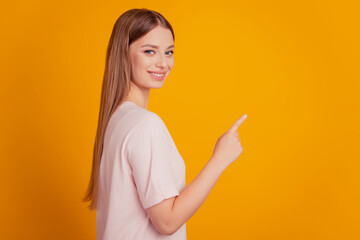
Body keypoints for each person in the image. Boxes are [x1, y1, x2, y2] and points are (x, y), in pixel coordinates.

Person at [82, 8, 248, 240]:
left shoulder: (116, 121)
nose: (163, 63)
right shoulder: (144, 125)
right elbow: (167, 221)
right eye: (150, 51)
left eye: (169, 52)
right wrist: (220, 159)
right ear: (123, 54)